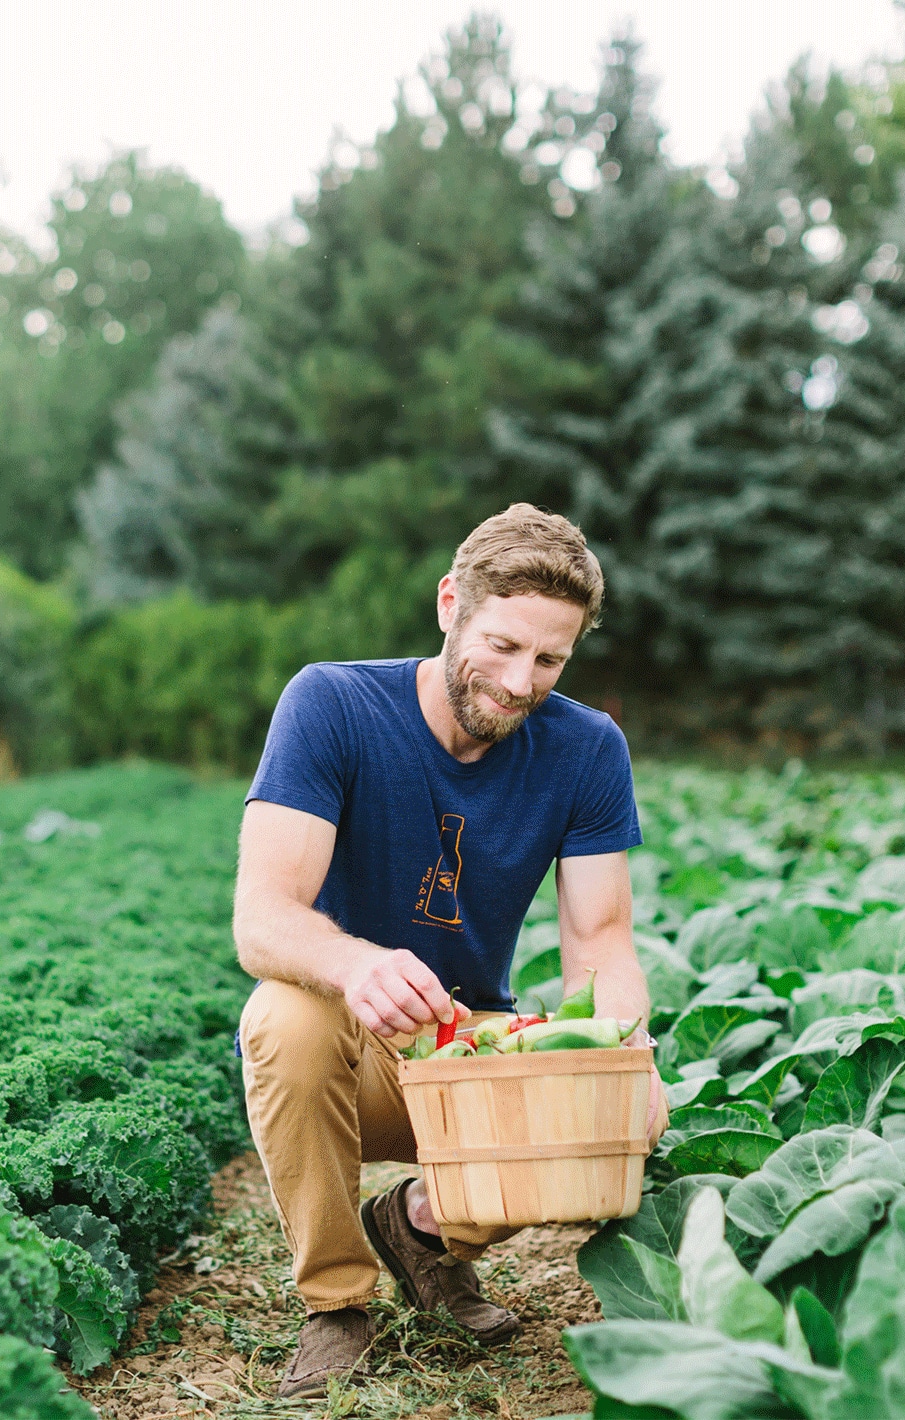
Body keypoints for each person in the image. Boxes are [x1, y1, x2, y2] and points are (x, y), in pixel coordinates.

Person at [231, 503, 666, 1398]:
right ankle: (337, 1304)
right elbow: (263, 918)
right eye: (503, 646)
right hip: (347, 1041)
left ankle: (424, 1233)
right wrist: (356, 965)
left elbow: (600, 940)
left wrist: (619, 1053)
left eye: (550, 659)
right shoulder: (333, 703)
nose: (520, 681)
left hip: (463, 1048)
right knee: (282, 1017)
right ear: (448, 605)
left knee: (622, 1100)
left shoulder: (587, 748)